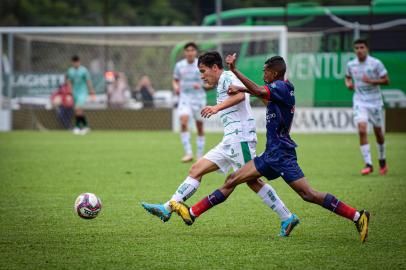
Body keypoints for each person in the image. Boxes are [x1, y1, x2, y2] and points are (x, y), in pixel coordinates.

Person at [170, 54, 371, 243]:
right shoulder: (280, 89)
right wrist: (245, 90)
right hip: (271, 154)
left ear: (274, 73)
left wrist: (236, 72)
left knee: (309, 195)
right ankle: (192, 213)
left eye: (265, 71)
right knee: (233, 179)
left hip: (281, 155)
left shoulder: (281, 87)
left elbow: (258, 91)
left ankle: (357, 216)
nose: (263, 75)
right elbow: (263, 96)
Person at [142, 51, 300, 237]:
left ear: (215, 68)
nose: (202, 76)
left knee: (252, 181)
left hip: (241, 137)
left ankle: (286, 216)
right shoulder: (222, 80)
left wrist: (216, 107)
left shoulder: (226, 76)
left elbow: (241, 96)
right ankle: (167, 207)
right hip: (229, 140)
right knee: (196, 169)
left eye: (203, 71)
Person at [345, 39, 389, 175]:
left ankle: (382, 159)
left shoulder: (376, 63)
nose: (359, 50)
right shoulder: (351, 64)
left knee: (378, 134)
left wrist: (371, 81)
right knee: (362, 129)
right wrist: (348, 84)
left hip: (375, 102)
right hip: (360, 101)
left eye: (362, 47)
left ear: (367, 49)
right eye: (357, 48)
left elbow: (386, 80)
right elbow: (347, 77)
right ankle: (368, 164)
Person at [173, 42, 207, 162]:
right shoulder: (179, 65)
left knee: (199, 126)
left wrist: (202, 85)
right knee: (183, 122)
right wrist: (176, 87)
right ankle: (188, 153)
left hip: (198, 98)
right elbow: (175, 80)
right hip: (184, 98)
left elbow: (208, 81)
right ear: (185, 52)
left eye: (192, 50)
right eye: (187, 50)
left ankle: (199, 155)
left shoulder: (201, 65)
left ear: (195, 52)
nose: (190, 52)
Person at [66, 55, 95, 135]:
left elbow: (88, 81)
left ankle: (78, 127)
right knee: (78, 110)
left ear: (79, 62)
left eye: (77, 62)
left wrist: (91, 91)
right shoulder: (70, 71)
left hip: (82, 92)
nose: (76, 64)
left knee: (78, 108)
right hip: (75, 92)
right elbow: (69, 82)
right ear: (72, 63)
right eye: (74, 62)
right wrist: (69, 92)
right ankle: (85, 127)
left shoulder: (84, 70)